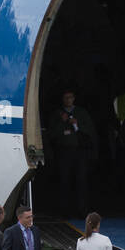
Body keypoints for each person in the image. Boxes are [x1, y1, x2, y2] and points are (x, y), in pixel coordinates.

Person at [49, 90, 96, 219]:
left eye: (70, 97)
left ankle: (82, 210)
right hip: (64, 152)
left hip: (80, 152)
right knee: (65, 181)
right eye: (65, 97)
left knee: (81, 181)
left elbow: (90, 131)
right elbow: (51, 134)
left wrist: (76, 124)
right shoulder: (57, 114)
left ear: (74, 98)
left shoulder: (81, 113)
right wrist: (62, 122)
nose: (68, 100)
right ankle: (65, 211)